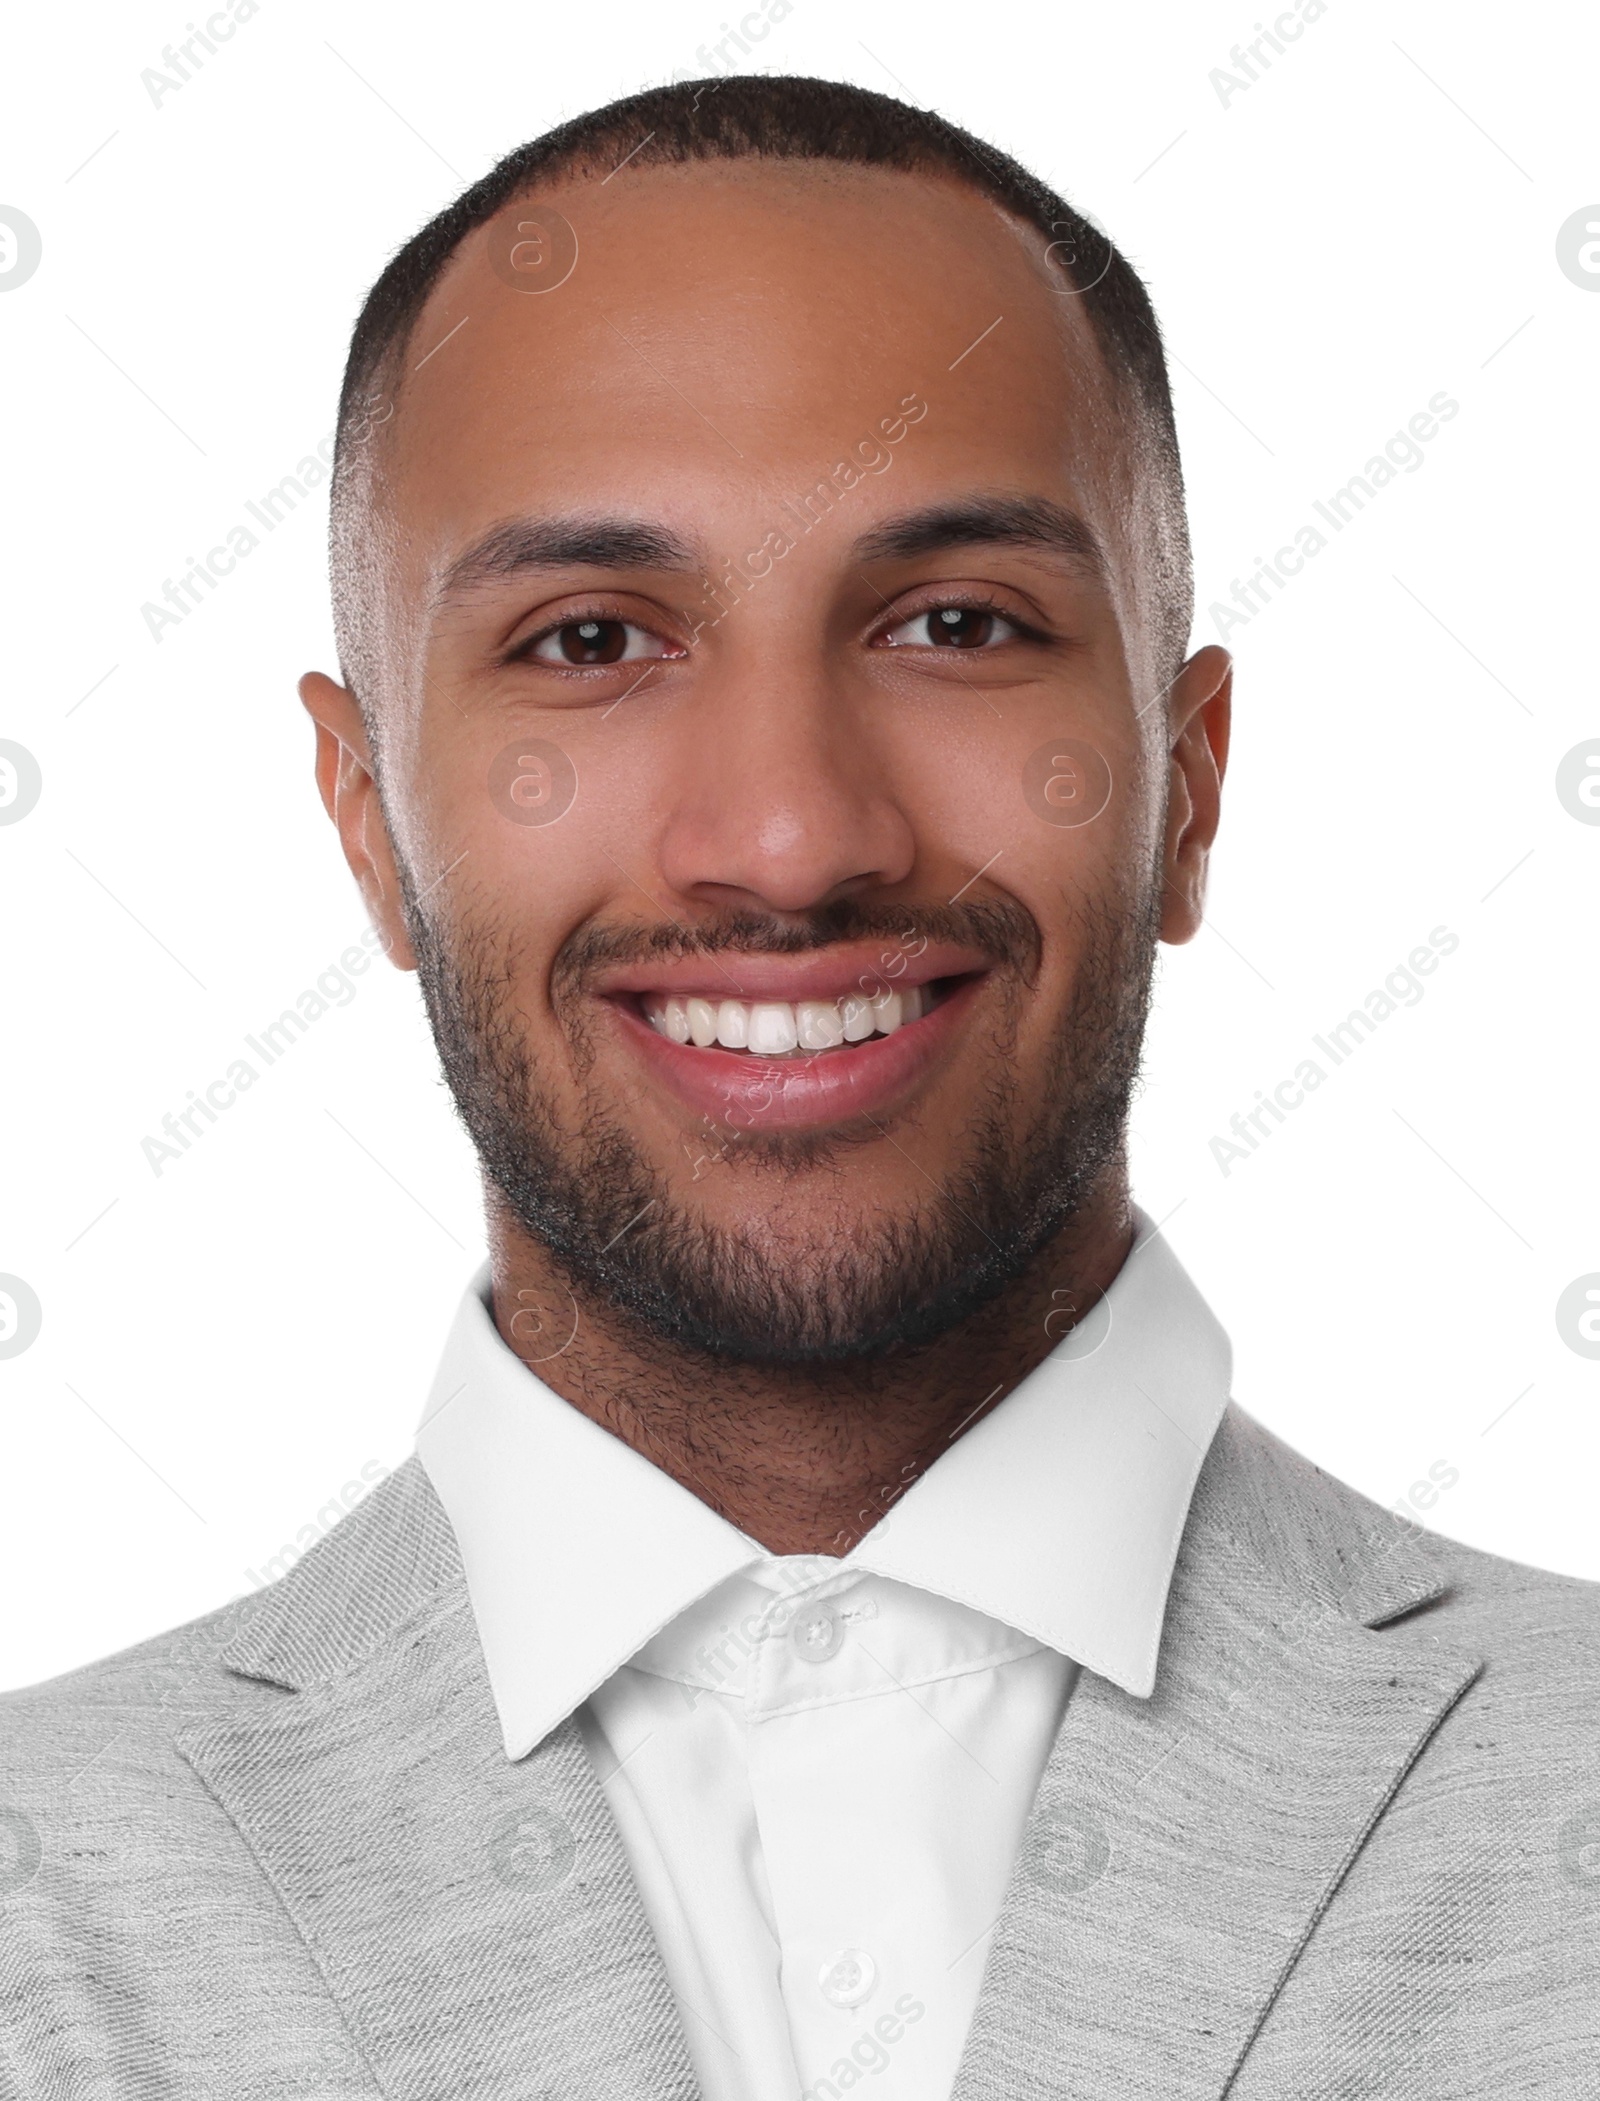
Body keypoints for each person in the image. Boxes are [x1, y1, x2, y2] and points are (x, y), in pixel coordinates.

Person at [2, 74, 1595, 2101]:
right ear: (364, 815)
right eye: (589, 638)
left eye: (953, 623)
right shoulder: (36, 1896)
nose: (784, 835)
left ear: (1187, 786)